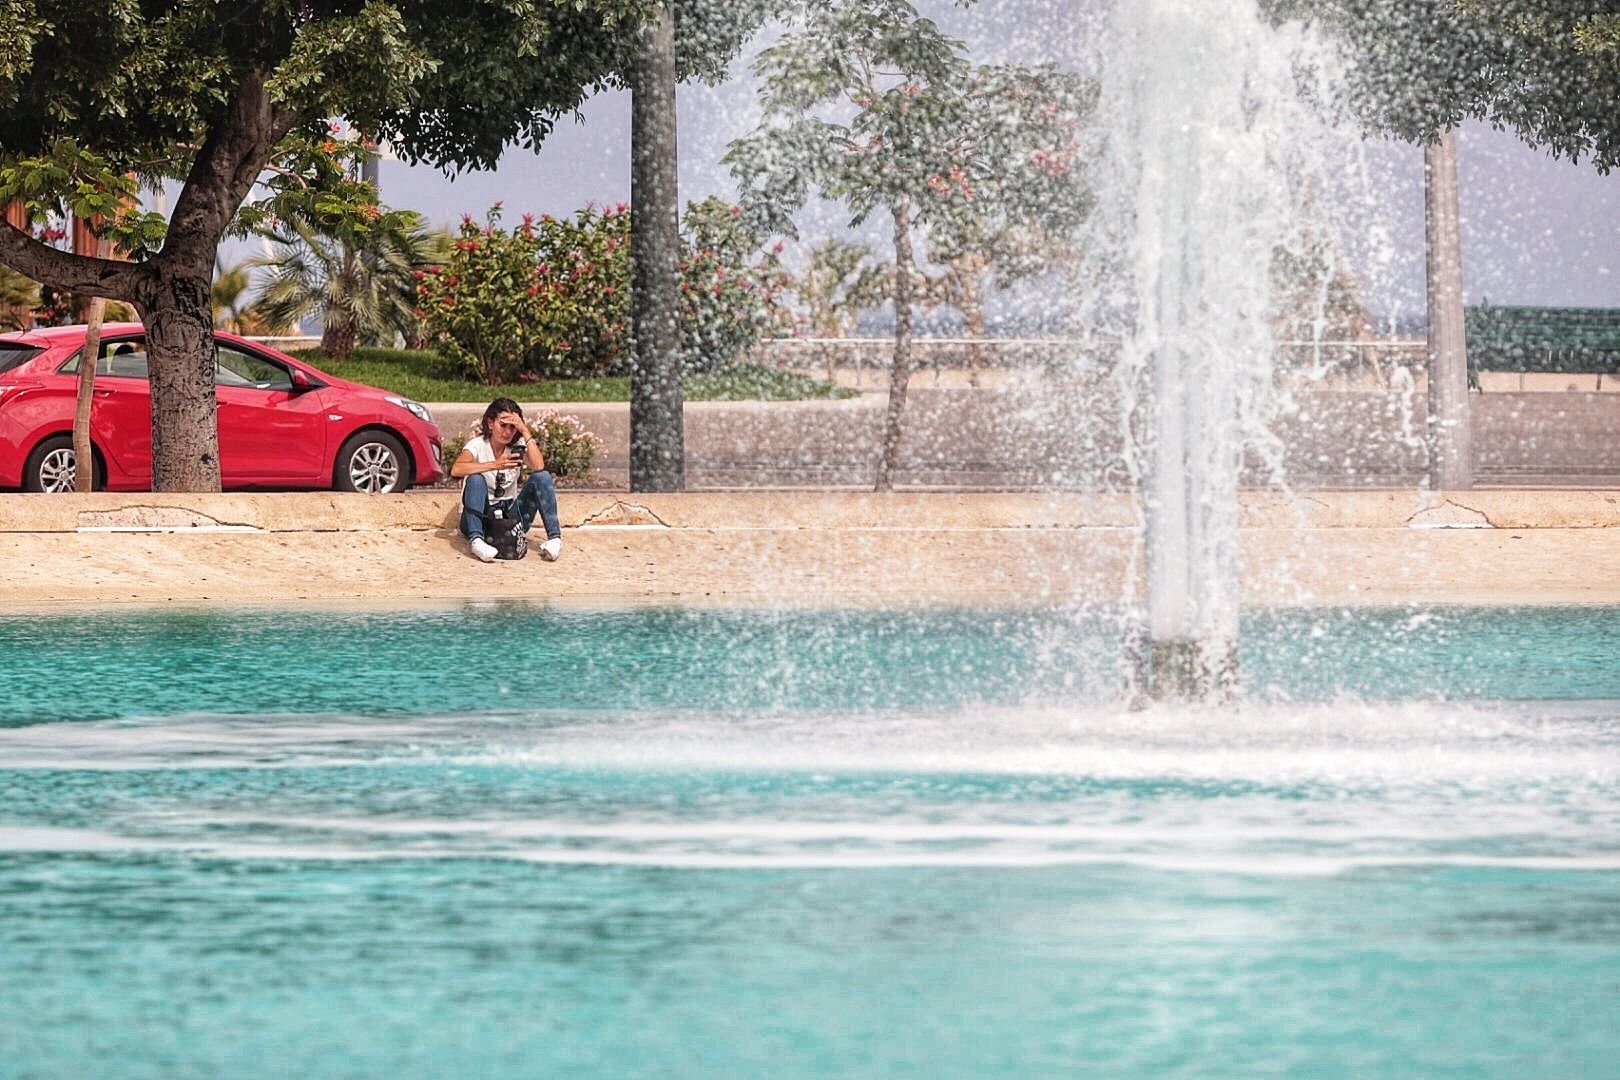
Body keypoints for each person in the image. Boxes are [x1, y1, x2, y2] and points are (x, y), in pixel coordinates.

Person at [450, 398, 563, 562]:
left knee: (542, 477)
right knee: (475, 479)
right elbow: (457, 469)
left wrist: (525, 431)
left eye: (512, 427)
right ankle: (477, 541)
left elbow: (539, 466)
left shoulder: (516, 449)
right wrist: (494, 465)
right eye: (503, 425)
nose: (508, 432)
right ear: (490, 423)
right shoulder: (477, 445)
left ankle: (555, 539)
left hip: (508, 517)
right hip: (480, 517)